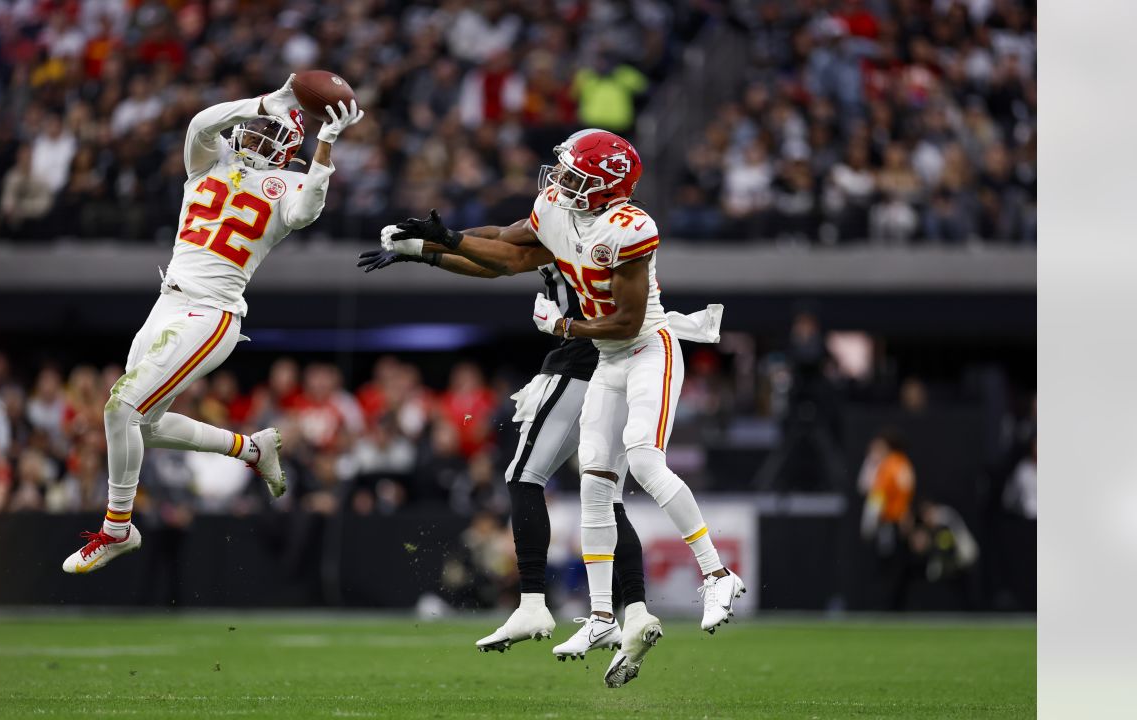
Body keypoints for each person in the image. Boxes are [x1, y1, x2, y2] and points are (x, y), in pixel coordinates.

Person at [380, 130, 741, 683]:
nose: (562, 182)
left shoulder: (629, 229)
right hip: (600, 352)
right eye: (565, 171)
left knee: (628, 464)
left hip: (631, 345)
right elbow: (505, 245)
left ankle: (715, 574)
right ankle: (607, 615)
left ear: (609, 188)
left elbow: (623, 317)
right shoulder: (557, 209)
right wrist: (437, 241)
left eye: (579, 176)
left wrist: (561, 323)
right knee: (598, 486)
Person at [60, 74, 365, 574]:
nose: (256, 135)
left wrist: (326, 145)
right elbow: (201, 124)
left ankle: (118, 528)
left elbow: (307, 210)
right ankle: (251, 447)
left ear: (289, 148)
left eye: (270, 131)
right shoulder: (210, 159)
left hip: (213, 311)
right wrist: (270, 100)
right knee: (145, 425)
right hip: (169, 302)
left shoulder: (288, 182)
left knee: (121, 410)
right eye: (256, 127)